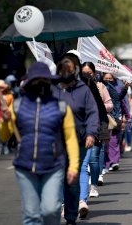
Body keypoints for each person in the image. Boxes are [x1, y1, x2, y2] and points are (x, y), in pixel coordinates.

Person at [0, 62, 79, 225]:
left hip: (53, 166)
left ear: (50, 82)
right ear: (29, 83)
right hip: (25, 167)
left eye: (44, 80)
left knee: (51, 210)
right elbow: (4, 137)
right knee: (31, 215)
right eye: (36, 81)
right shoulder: (17, 105)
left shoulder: (61, 107)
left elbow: (70, 138)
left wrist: (73, 167)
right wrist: (6, 122)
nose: (40, 84)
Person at [53, 53, 99, 223]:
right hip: (55, 143)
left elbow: (92, 113)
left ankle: (71, 216)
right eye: (63, 69)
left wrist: (90, 134)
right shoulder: (52, 89)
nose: (67, 72)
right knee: (56, 177)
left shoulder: (83, 90)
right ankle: (59, 206)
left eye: (70, 69)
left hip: (77, 142)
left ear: (76, 71)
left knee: (71, 178)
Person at [81, 62, 113, 194]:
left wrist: (97, 110)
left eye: (89, 73)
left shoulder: (99, 87)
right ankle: (80, 196)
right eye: (83, 73)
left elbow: (106, 106)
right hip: (79, 129)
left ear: (94, 73)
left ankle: (93, 186)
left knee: (94, 158)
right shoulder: (72, 88)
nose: (86, 75)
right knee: (82, 163)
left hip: (96, 126)